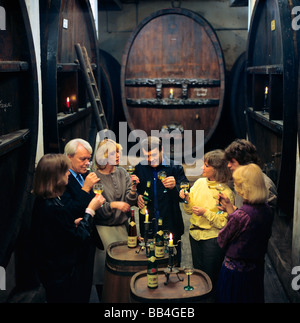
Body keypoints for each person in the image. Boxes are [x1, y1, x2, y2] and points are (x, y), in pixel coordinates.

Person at [31, 154, 105, 303]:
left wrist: (72, 224)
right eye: (65, 170)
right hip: (60, 273)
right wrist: (90, 211)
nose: (67, 173)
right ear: (56, 176)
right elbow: (79, 237)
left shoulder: (45, 200)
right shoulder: (51, 206)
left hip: (53, 270)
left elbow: (59, 231)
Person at [216, 163, 274, 303]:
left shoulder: (241, 215)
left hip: (236, 274)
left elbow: (222, 240)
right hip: (255, 269)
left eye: (236, 184)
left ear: (243, 188)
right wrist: (231, 208)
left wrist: (232, 214)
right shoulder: (267, 209)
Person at [180, 149, 235, 291]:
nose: (202, 168)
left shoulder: (226, 193)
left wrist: (205, 213)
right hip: (194, 236)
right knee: (198, 277)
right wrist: (186, 201)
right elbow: (188, 211)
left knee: (211, 279)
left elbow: (223, 223)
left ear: (217, 169)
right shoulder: (198, 183)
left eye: (206, 165)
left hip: (213, 240)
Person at [92, 138, 139, 300]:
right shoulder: (95, 178)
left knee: (126, 270)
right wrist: (113, 205)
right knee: (103, 274)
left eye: (118, 152)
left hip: (123, 228)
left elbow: (130, 202)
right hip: (103, 231)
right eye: (113, 153)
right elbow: (97, 210)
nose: (118, 155)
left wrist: (133, 189)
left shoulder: (122, 173)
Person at [134, 136, 188, 264]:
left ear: (161, 150)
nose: (150, 159)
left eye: (153, 155)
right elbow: (134, 190)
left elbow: (185, 197)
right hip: (148, 226)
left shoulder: (175, 167)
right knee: (150, 263)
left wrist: (174, 187)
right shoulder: (139, 168)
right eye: (146, 156)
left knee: (172, 263)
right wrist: (137, 196)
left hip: (171, 226)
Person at [61, 138, 100, 302]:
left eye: (88, 158)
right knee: (74, 290)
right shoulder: (62, 179)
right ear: (69, 157)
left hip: (87, 239)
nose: (87, 163)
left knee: (85, 284)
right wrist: (86, 189)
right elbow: (68, 210)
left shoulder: (83, 175)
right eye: (82, 159)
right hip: (73, 244)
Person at [220, 138, 277, 213]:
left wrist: (234, 211)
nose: (228, 165)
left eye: (232, 162)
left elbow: (261, 220)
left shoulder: (264, 184)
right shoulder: (241, 179)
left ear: (244, 161)